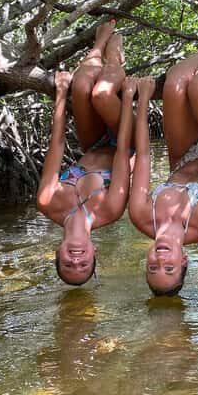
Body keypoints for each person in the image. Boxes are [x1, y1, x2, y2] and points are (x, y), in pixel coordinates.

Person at [129, 20, 198, 296]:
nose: (160, 260)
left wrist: (143, 100)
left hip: (184, 155)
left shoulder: (140, 215)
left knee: (174, 83)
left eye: (153, 268)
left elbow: (143, 155)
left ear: (146, 261)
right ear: (183, 261)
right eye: (169, 268)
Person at [36, 21, 135, 286]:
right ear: (95, 253)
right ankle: (114, 59)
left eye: (68, 264)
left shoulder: (47, 202)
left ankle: (99, 44)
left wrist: (60, 93)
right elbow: (123, 152)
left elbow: (57, 145)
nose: (76, 259)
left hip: (94, 143)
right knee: (101, 95)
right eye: (83, 264)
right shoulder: (110, 211)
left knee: (80, 86)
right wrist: (127, 99)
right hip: (128, 140)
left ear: (57, 254)